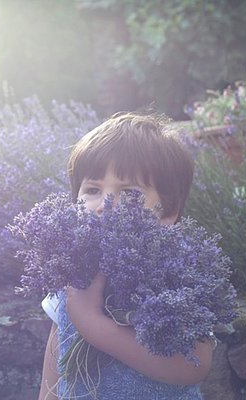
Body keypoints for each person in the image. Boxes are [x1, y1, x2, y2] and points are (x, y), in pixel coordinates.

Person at [38, 113, 215, 399]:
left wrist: (92, 324)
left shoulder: (176, 274)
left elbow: (193, 366)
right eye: (93, 189)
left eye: (130, 193)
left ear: (167, 212)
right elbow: (54, 370)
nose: (105, 205)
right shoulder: (72, 271)